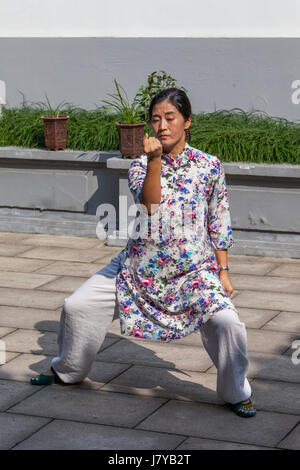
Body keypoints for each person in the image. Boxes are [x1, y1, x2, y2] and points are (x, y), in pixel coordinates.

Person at [30, 88, 256, 418]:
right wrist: (154, 161)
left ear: (187, 122)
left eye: (170, 118)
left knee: (227, 322)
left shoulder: (209, 166)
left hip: (193, 273)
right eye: (155, 119)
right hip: (137, 269)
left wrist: (222, 270)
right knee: (77, 306)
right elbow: (150, 205)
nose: (161, 126)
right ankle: (67, 371)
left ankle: (236, 391)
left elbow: (218, 218)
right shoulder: (140, 164)